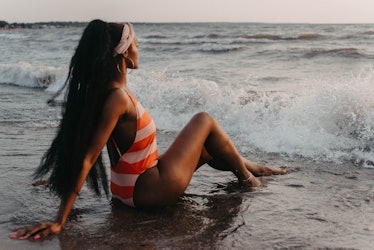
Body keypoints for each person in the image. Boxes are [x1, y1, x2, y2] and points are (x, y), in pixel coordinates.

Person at [11, 20, 287, 240]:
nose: (139, 50)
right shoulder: (118, 98)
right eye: (136, 45)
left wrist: (61, 179)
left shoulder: (106, 93)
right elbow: (88, 157)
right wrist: (60, 221)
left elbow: (84, 145)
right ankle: (249, 181)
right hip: (149, 192)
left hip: (128, 189)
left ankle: (254, 168)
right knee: (204, 120)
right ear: (124, 55)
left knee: (208, 145)